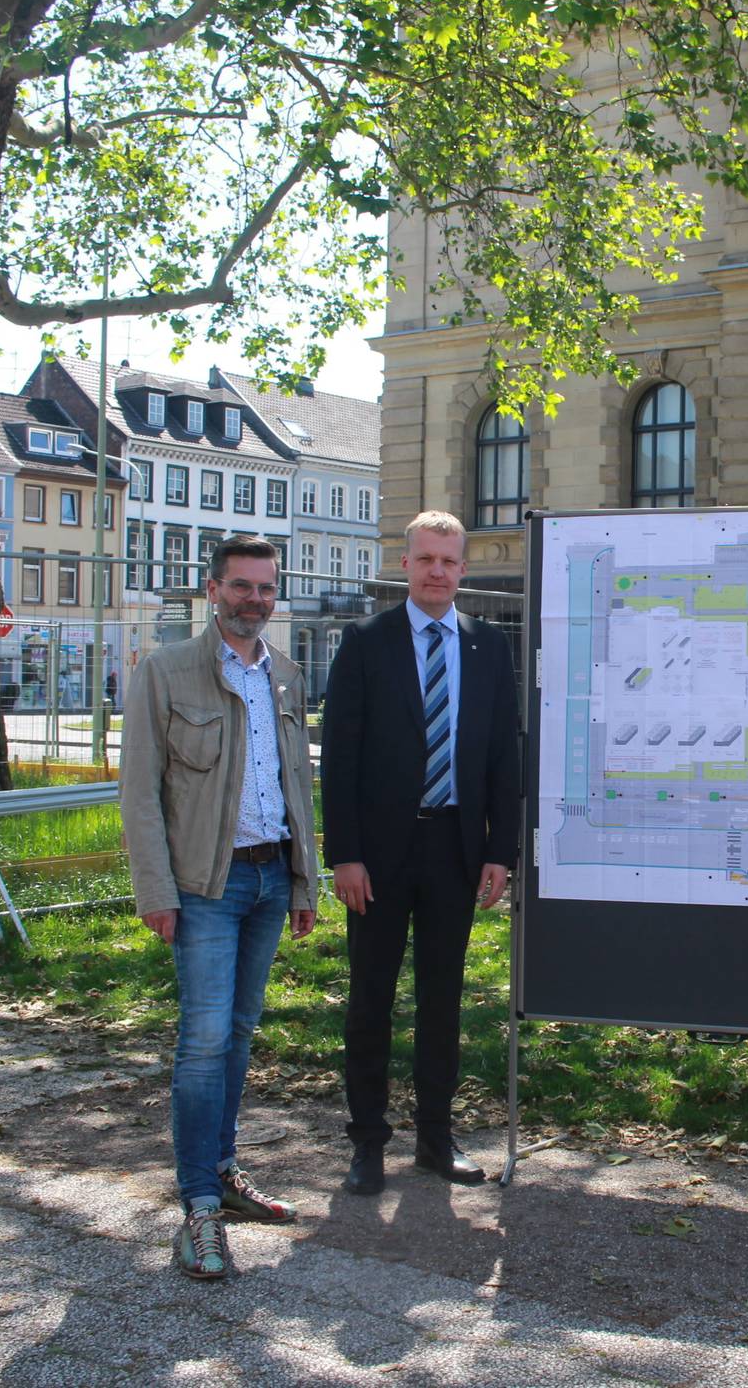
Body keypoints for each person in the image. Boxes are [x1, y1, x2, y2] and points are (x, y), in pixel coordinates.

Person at [120, 533, 319, 1279]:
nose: (254, 600)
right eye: (241, 586)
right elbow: (139, 793)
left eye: (266, 588)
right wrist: (155, 891)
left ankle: (224, 1170)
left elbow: (297, 786)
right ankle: (199, 1206)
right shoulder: (167, 672)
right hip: (205, 885)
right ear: (212, 590)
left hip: (270, 878)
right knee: (203, 1039)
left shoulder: (285, 676)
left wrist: (303, 881)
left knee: (238, 1032)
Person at [323, 509, 521, 1195]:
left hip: (455, 848)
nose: (438, 571)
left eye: (449, 560)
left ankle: (436, 1138)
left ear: (464, 568)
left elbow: (503, 754)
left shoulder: (487, 646)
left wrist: (500, 850)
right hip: (377, 855)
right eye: (426, 559)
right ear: (404, 564)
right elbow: (339, 757)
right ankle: (367, 1143)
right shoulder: (365, 642)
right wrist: (345, 854)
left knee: (442, 1000)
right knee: (370, 999)